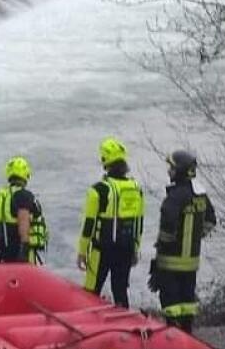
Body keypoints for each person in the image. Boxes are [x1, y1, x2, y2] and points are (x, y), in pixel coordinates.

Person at [148, 150, 217, 333]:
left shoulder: (175, 197)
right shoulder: (200, 195)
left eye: (171, 167)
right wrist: (195, 236)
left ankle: (172, 334)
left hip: (170, 262)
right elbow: (211, 221)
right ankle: (187, 333)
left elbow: (167, 229)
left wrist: (161, 255)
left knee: (171, 303)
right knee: (187, 301)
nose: (169, 171)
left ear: (179, 170)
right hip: (191, 262)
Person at [76, 138, 144, 308]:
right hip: (127, 247)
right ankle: (126, 327)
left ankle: (89, 329)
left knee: (91, 292)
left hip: (102, 250)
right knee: (120, 291)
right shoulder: (136, 188)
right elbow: (139, 223)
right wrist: (135, 248)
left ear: (105, 161)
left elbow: (89, 224)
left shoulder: (98, 190)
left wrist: (82, 251)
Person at [0, 156, 48, 264]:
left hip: (5, 251)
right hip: (21, 251)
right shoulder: (23, 195)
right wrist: (24, 249)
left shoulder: (3, 195)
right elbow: (23, 220)